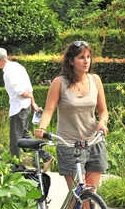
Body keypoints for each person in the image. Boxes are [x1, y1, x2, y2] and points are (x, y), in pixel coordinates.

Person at [34, 41, 109, 199]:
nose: (86, 61)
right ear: (71, 61)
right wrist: (42, 128)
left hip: (93, 142)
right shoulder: (59, 83)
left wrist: (102, 123)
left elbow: (103, 111)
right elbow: (48, 111)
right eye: (82, 57)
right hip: (69, 145)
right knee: (78, 194)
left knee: (91, 194)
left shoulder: (95, 80)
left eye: (88, 57)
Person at [0, 47, 51, 170]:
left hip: (18, 108)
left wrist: (29, 98)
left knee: (15, 141)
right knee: (24, 135)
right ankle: (46, 156)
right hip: (25, 106)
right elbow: (29, 87)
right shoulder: (17, 66)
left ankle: (17, 168)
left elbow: (22, 92)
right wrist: (33, 102)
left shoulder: (9, 73)